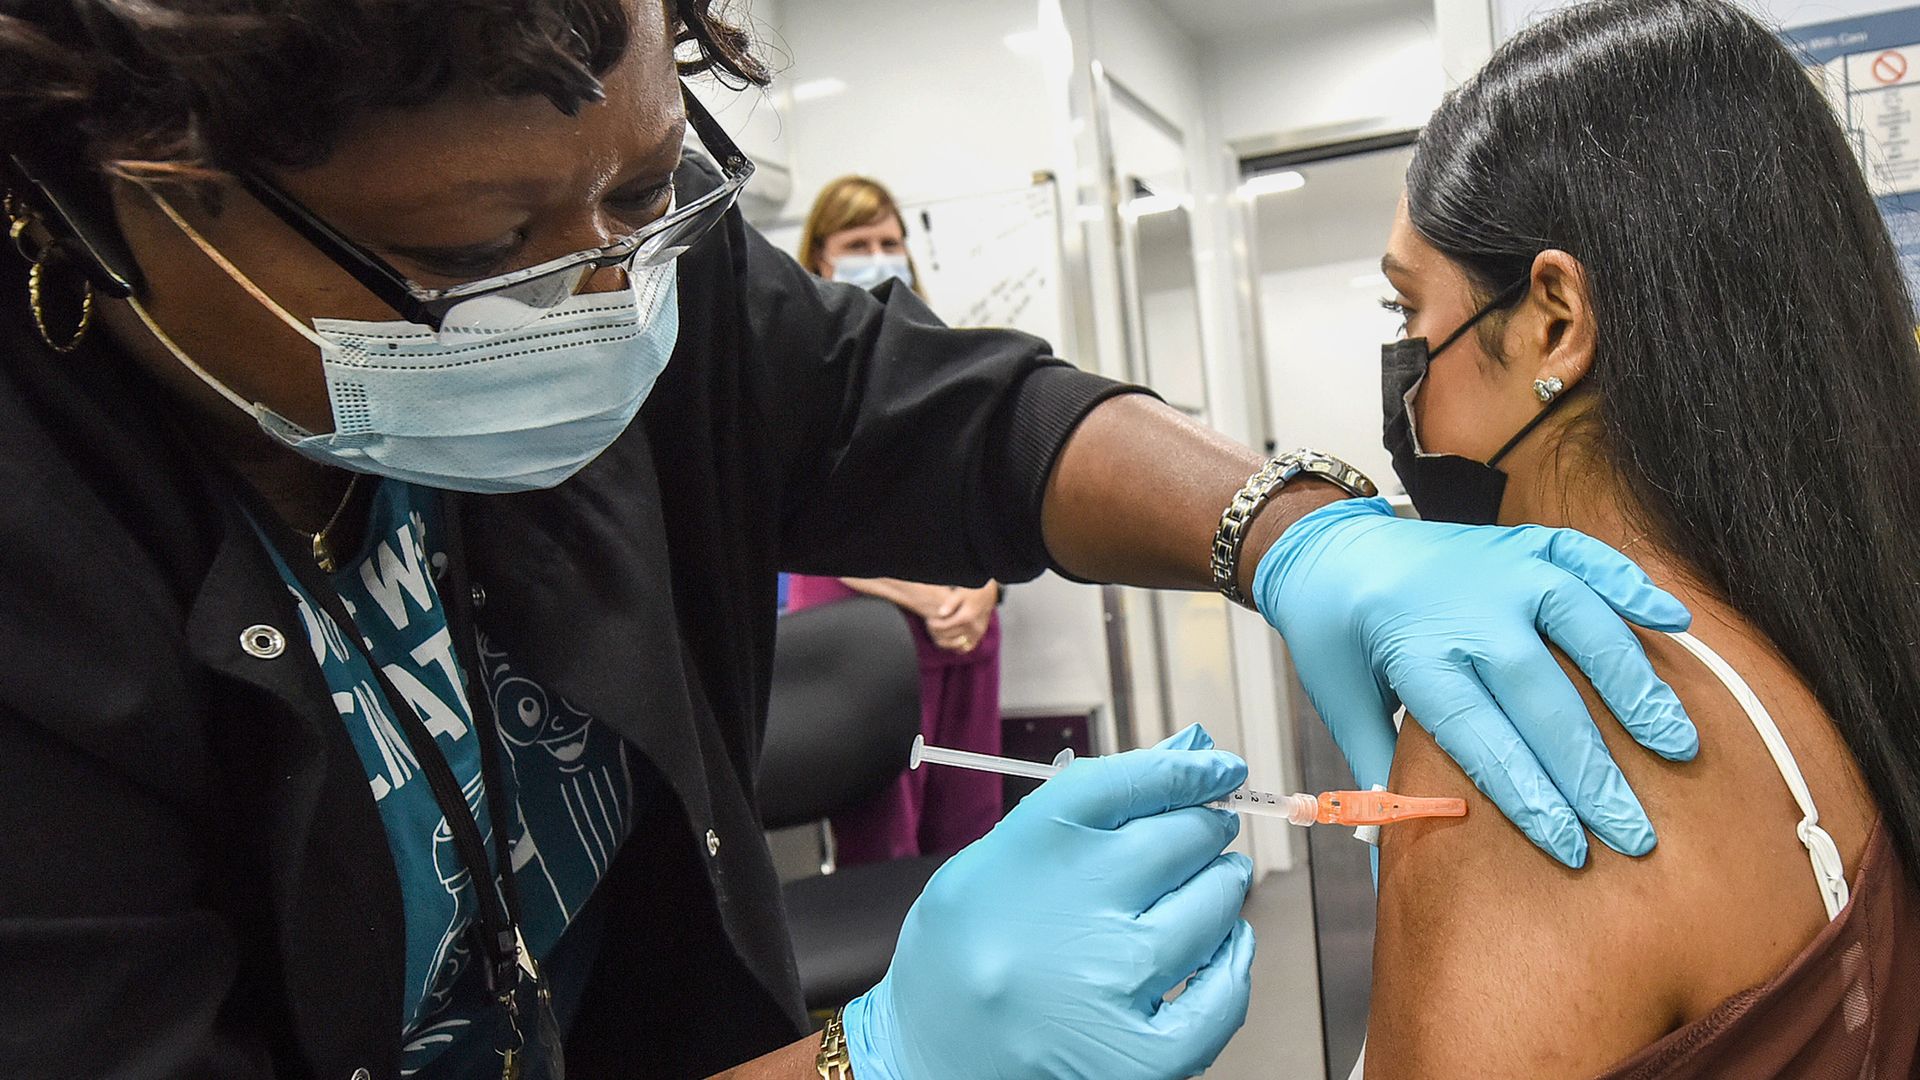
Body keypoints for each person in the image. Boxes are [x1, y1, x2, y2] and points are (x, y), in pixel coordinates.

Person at [0, 2, 1698, 1077]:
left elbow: (955, 415)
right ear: (132, 190)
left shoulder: (628, 267)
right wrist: (872, 1062)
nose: (610, 293)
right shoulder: (44, 556)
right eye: (489, 246)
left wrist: (1296, 532)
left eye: (647, 190)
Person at [1359, 2, 1920, 1077]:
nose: (1404, 377)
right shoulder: (1826, 631)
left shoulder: (1526, 730)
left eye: (1407, 317)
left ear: (1555, 322)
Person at [786, 175, 1005, 864]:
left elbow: (985, 486)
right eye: (858, 243)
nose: (879, 255)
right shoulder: (792, 359)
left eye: (890, 241)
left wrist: (983, 586)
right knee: (886, 848)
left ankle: (975, 973)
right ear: (819, 256)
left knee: (975, 834)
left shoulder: (943, 347)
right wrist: (926, 593)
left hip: (963, 621)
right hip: (862, 632)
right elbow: (796, 513)